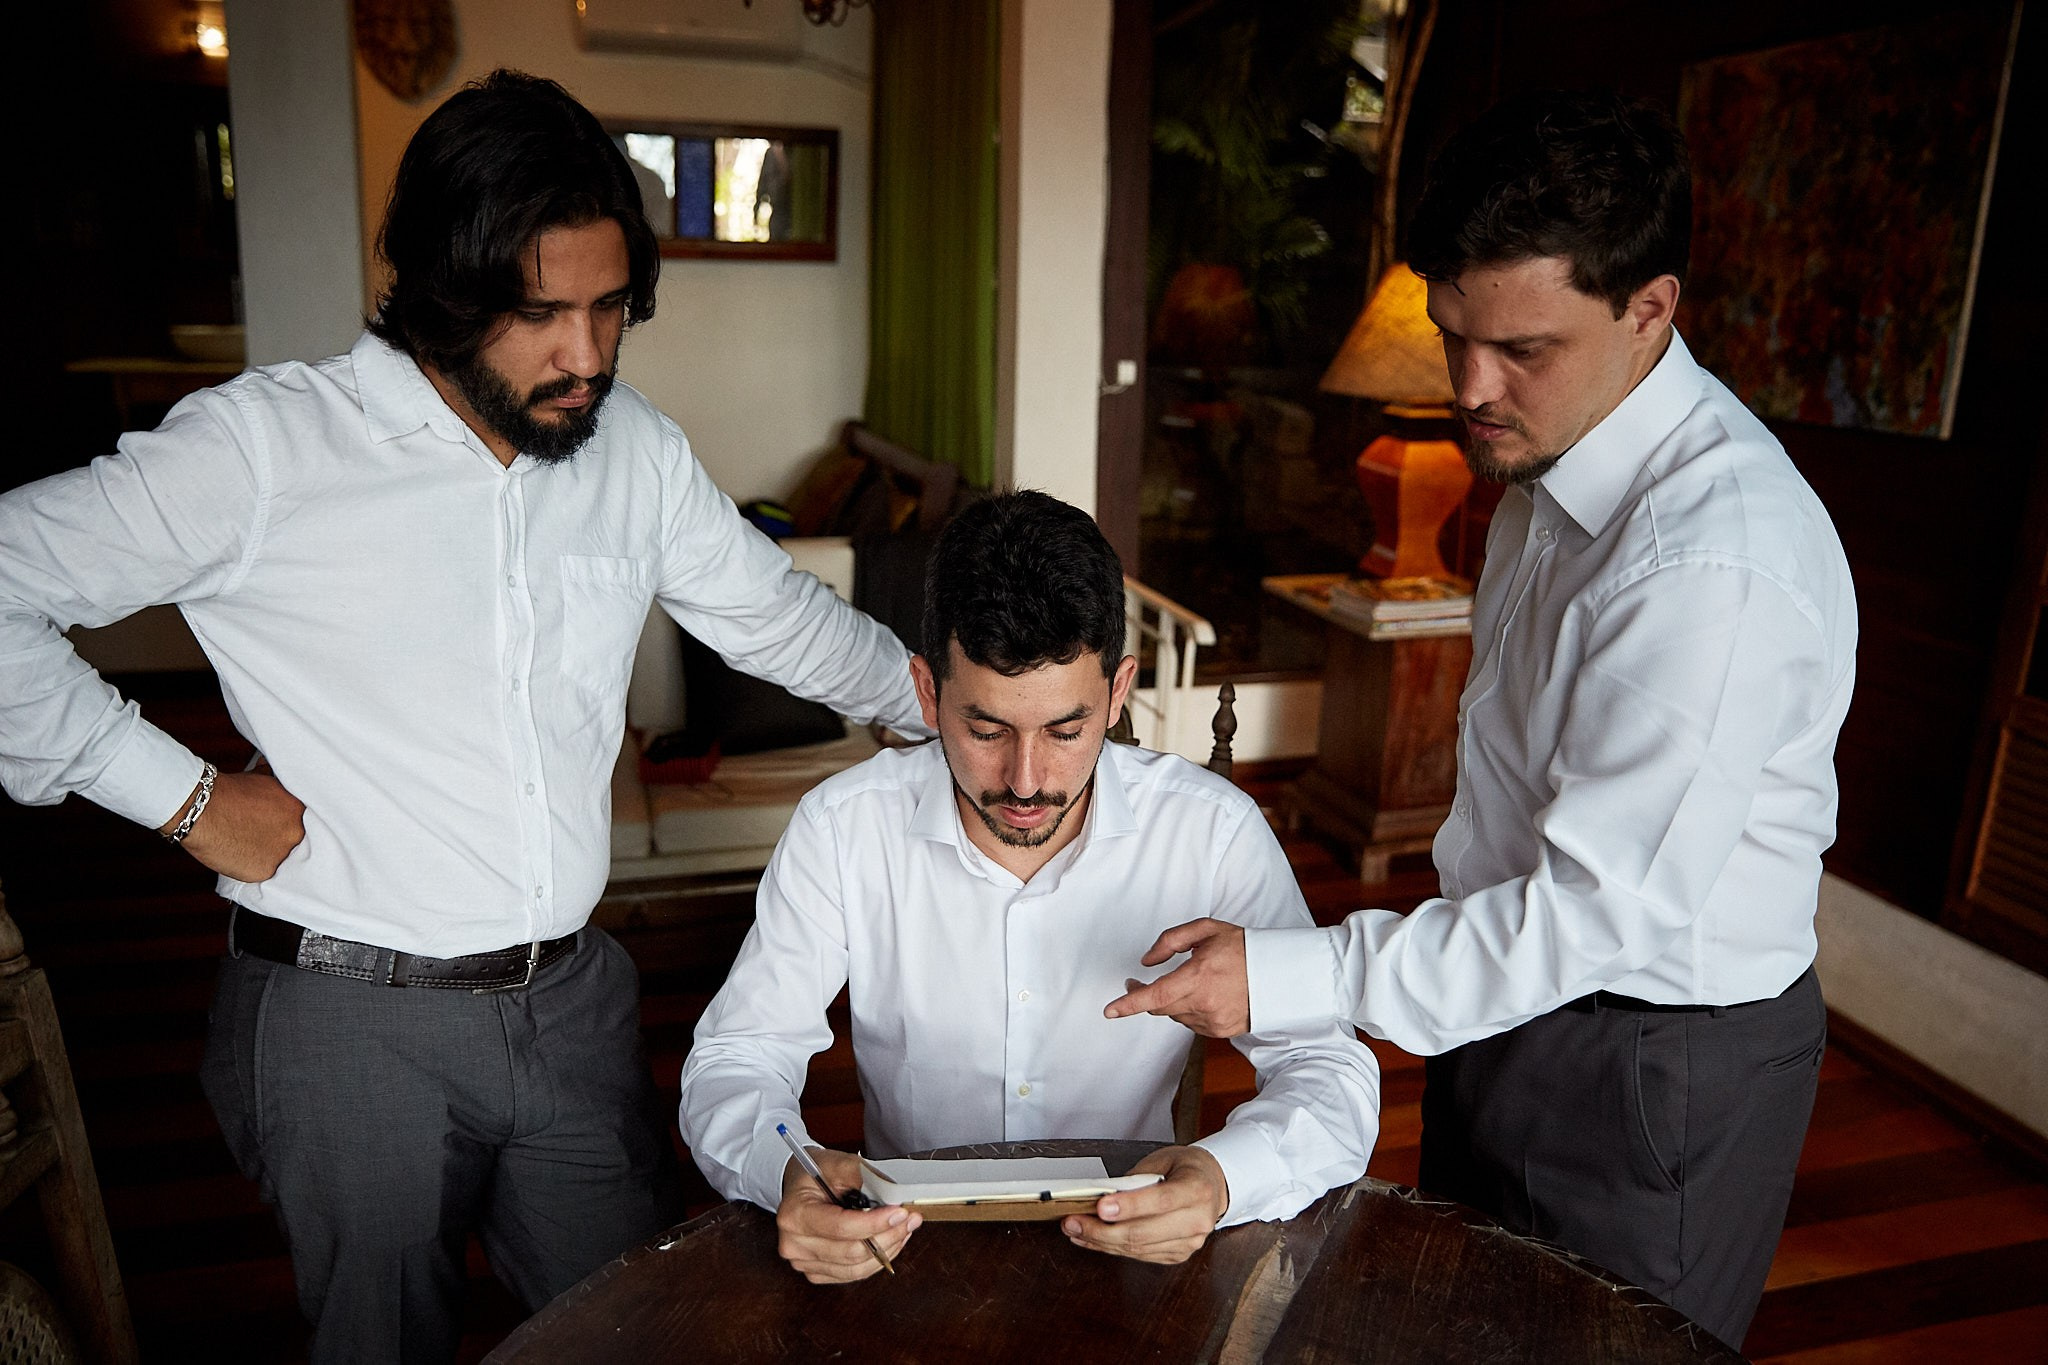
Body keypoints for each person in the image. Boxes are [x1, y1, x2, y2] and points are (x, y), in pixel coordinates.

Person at [0, 70, 927, 1364]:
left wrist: (936, 707)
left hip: (573, 1006)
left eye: (611, 310)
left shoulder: (631, 450)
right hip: (345, 1024)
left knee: (636, 1331)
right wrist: (186, 798)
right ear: (443, 292)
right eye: (542, 315)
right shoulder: (263, 454)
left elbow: (777, 616)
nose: (586, 356)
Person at [1105, 88, 1856, 1349]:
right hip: (1501, 1000)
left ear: (1648, 310)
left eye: (1521, 348)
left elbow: (1592, 916)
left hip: (1651, 1070)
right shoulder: (1541, 467)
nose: (1470, 386)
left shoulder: (1707, 565)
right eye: (1455, 333)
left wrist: (1289, 978)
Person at [678, 491, 1379, 1282]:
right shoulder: (843, 828)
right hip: (907, 1254)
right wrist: (786, 1175)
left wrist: (1223, 1179)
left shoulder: (1210, 832)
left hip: (1129, 1249)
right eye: (985, 730)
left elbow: (1329, 1067)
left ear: (1118, 692)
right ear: (926, 690)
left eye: (1065, 730)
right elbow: (738, 1057)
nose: (1025, 781)